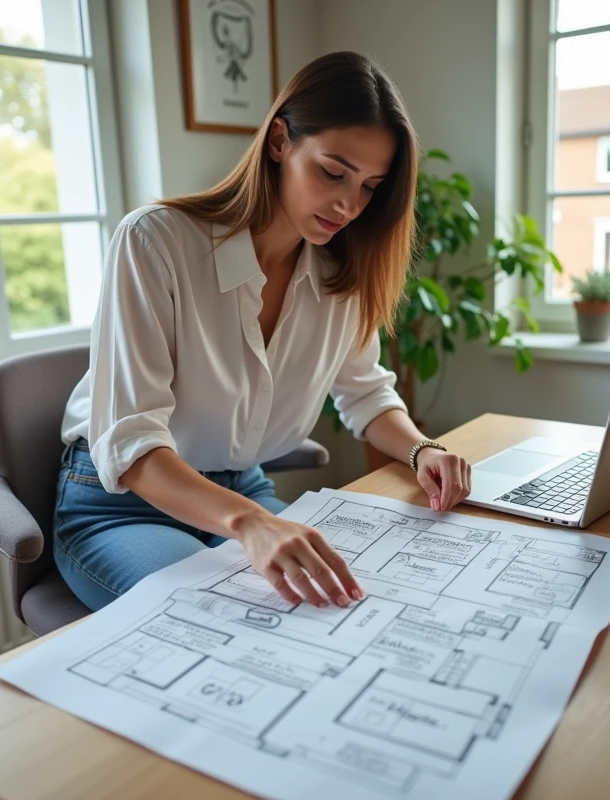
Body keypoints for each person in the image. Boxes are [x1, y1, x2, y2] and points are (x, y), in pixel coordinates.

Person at [55, 51, 473, 613]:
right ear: (279, 141)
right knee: (221, 621)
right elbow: (130, 444)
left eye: (371, 187)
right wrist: (252, 523)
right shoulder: (155, 243)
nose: (350, 205)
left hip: (240, 491)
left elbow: (366, 394)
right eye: (333, 172)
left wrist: (423, 450)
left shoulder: (339, 274)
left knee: (350, 608)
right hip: (124, 502)